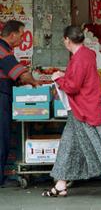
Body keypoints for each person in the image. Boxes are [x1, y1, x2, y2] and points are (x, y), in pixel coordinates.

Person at [43, 26, 101, 199]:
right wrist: (64, 75)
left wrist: (58, 78)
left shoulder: (80, 58)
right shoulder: (87, 54)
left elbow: (73, 86)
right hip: (81, 109)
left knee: (95, 146)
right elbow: (78, 78)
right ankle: (60, 185)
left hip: (84, 111)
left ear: (67, 40)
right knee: (67, 147)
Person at [0, 20, 39, 187]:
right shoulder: (2, 50)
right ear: (12, 35)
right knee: (2, 138)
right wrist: (37, 84)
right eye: (21, 35)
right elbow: (21, 75)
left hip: (4, 95)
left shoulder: (6, 49)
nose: (23, 39)